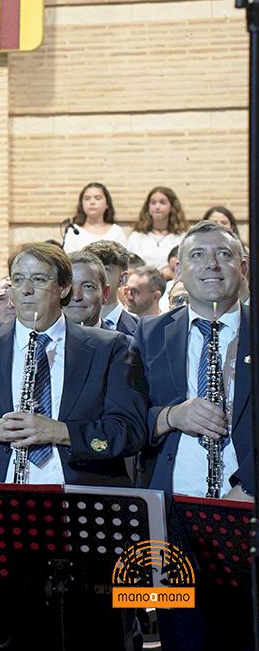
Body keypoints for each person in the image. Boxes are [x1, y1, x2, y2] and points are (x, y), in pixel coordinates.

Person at [0, 242, 145, 650]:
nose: (26, 290)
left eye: (37, 279)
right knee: (9, 638)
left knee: (91, 638)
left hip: (83, 517)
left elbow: (129, 430)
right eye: (18, 280)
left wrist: (61, 432)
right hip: (1, 517)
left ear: (64, 288)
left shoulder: (110, 347)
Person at [128, 220, 252, 649]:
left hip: (247, 511)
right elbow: (124, 423)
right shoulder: (148, 334)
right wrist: (171, 416)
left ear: (243, 267)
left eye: (224, 254)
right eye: (197, 255)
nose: (211, 265)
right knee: (180, 636)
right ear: (178, 271)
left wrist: (250, 488)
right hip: (171, 519)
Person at [126, 185, 187, 274]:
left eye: (162, 202)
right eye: (153, 203)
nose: (157, 207)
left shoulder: (181, 237)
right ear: (148, 207)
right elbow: (129, 266)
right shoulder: (136, 236)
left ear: (172, 207)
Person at [86, 239, 139, 336]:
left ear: (122, 279)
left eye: (105, 270)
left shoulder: (140, 331)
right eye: (89, 269)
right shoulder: (69, 323)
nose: (94, 276)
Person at [62, 182, 128, 251]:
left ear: (107, 204)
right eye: (87, 198)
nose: (92, 202)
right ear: (81, 204)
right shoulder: (73, 231)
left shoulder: (117, 231)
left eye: (98, 198)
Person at [63, 250, 110, 328]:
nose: (76, 297)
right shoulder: (41, 335)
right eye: (68, 287)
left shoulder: (121, 336)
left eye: (88, 287)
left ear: (105, 294)